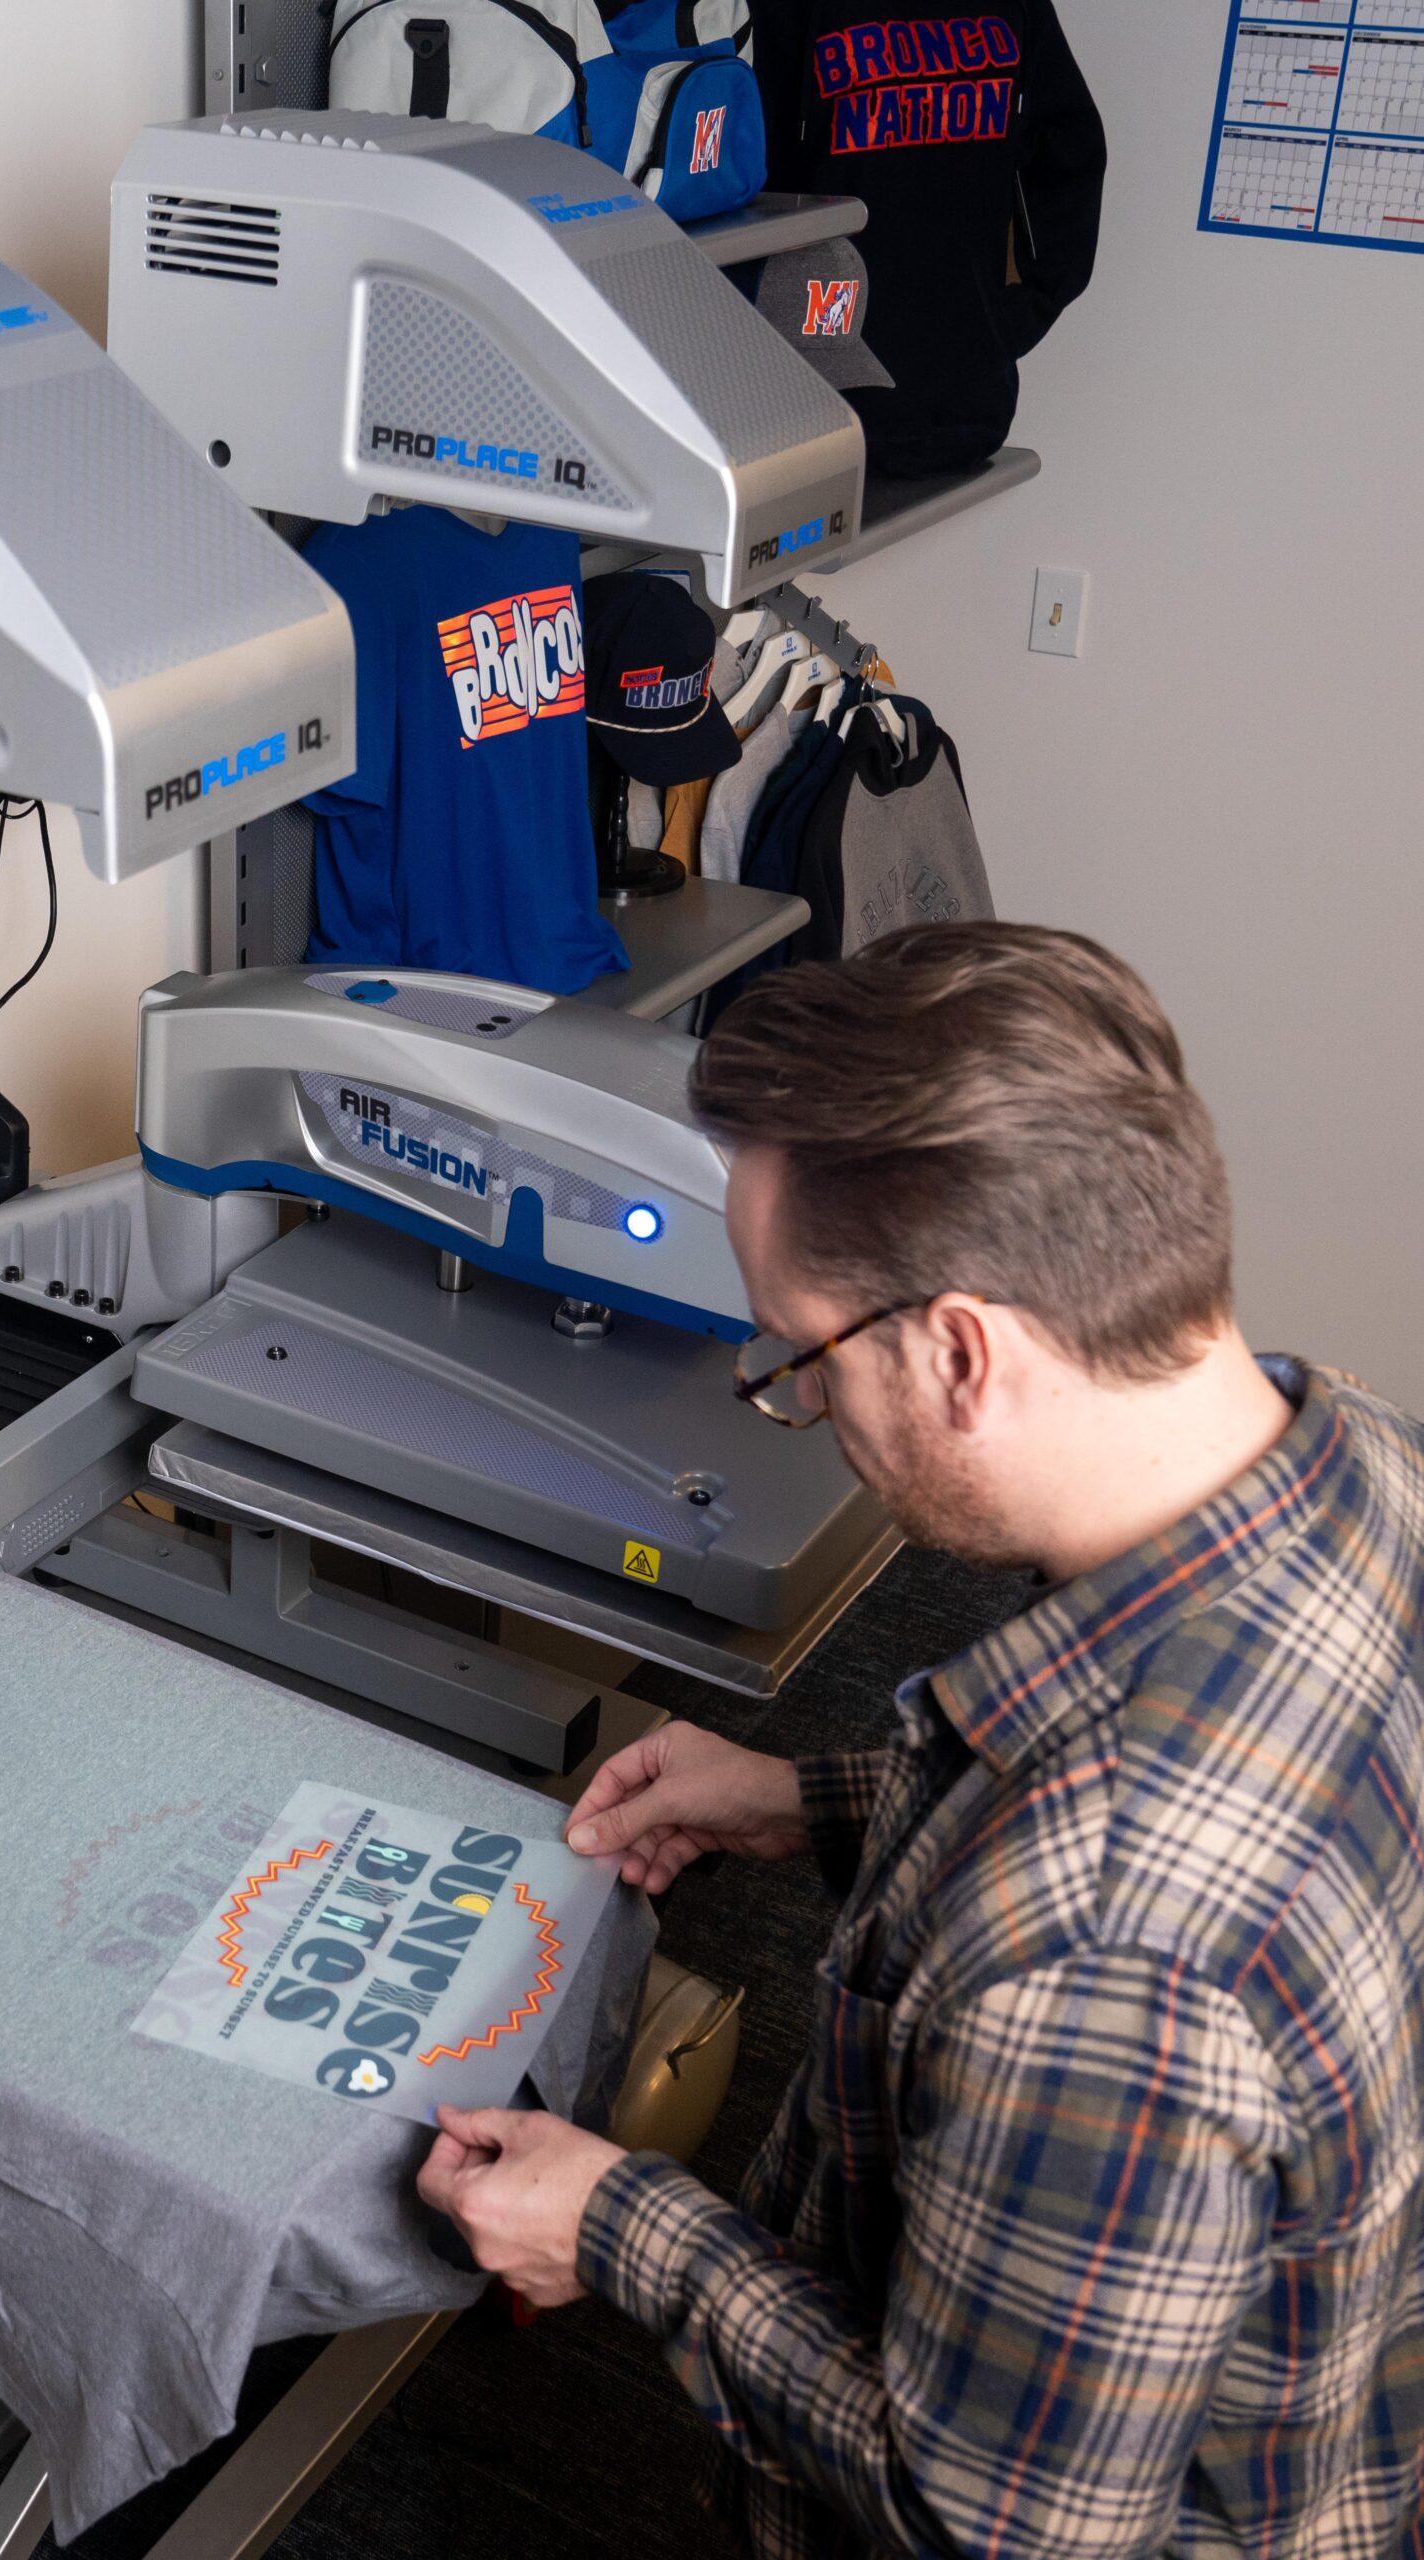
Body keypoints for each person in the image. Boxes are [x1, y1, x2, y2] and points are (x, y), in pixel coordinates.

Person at [416, 922, 1424, 2556]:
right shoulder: (1366, 1452)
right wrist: (809, 1800)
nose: (802, 1408)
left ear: (962, 1350)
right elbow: (1180, 1790)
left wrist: (617, 2224)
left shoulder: (1105, 1958)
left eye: (798, 1363)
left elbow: (977, 2511)